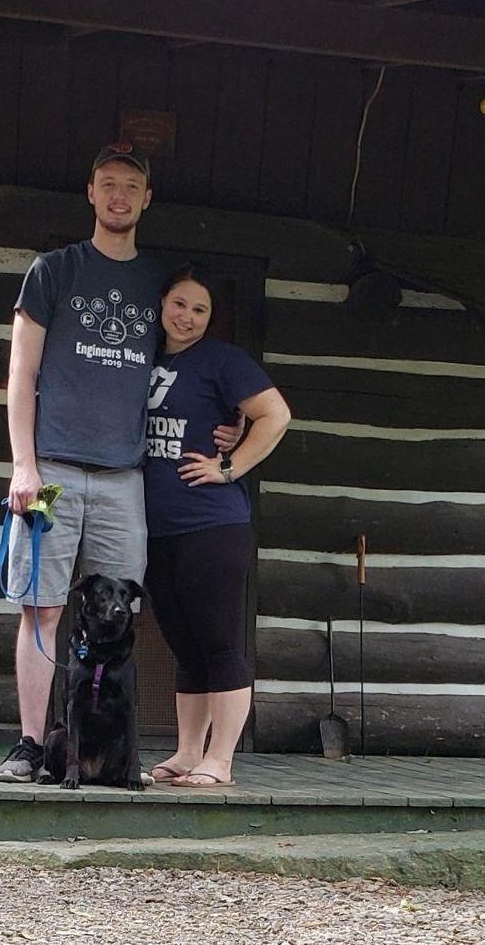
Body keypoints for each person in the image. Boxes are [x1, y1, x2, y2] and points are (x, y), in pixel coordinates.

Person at [0, 142, 163, 783]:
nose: (119, 196)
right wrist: (23, 465)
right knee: (41, 607)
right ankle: (32, 745)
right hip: (53, 470)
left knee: (120, 610)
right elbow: (21, 373)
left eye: (131, 186)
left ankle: (115, 756)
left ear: (146, 199)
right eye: (108, 184)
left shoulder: (156, 283)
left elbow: (182, 365)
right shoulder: (54, 271)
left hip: (124, 476)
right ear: (91, 193)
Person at [143, 263, 291, 788]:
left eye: (200, 309)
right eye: (179, 304)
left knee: (219, 640)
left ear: (211, 317)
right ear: (162, 304)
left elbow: (276, 414)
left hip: (212, 523)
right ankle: (188, 752)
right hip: (157, 527)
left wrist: (229, 466)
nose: (187, 316)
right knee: (183, 642)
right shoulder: (142, 357)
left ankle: (221, 759)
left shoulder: (223, 360)